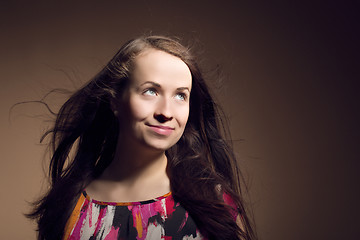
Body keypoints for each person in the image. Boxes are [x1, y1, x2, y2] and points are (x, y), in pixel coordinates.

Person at [27, 35, 256, 240]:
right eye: (150, 91)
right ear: (115, 100)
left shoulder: (215, 204)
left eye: (180, 95)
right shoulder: (69, 205)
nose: (166, 112)